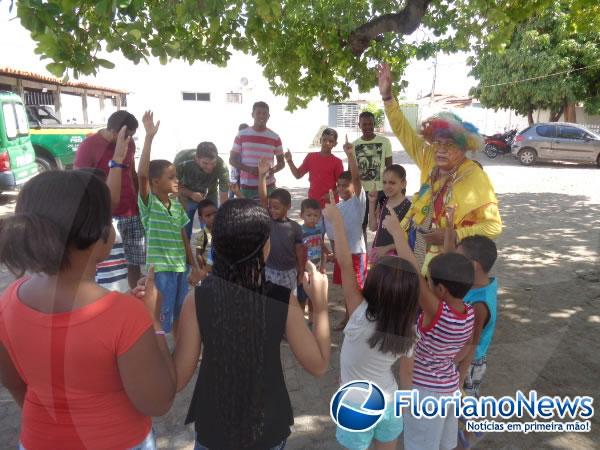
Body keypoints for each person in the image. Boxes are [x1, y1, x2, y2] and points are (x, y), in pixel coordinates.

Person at [134, 198, 331, 449]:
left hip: (214, 429)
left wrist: (153, 320)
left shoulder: (198, 298)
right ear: (264, 247)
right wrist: (321, 306)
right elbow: (320, 365)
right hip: (267, 429)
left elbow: (177, 379)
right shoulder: (283, 301)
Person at [0, 170, 176, 449]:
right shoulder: (126, 315)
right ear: (98, 232)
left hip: (37, 440)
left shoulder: (7, 301)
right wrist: (152, 321)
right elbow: (158, 400)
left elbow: (14, 382)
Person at [378, 63, 502, 274]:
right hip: (417, 248)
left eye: (450, 145)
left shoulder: (474, 176)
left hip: (450, 262)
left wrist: (452, 234)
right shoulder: (429, 158)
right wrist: (388, 98)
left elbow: (493, 227)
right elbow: (403, 131)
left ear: (464, 148)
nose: (441, 150)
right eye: (437, 143)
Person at [323, 192, 417, 450]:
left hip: (355, 405)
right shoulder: (409, 329)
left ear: (373, 286)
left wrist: (337, 221)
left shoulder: (358, 313)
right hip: (390, 402)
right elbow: (407, 375)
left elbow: (344, 261)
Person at [382, 209, 475, 450]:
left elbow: (413, 270)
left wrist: (396, 231)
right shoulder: (468, 311)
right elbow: (449, 266)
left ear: (441, 290)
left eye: (430, 281)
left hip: (425, 395)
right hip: (449, 389)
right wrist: (451, 228)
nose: (427, 283)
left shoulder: (438, 313)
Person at [137, 111, 202, 335]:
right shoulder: (149, 204)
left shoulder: (175, 205)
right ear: (156, 182)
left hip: (180, 269)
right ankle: (159, 357)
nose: (177, 181)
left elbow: (183, 236)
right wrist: (148, 138)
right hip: (161, 271)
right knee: (160, 317)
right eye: (171, 177)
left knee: (181, 314)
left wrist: (192, 265)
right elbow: (142, 175)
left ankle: (180, 354)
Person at [74, 109, 145, 289]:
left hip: (130, 211)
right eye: (126, 135)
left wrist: (139, 201)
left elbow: (131, 172)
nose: (129, 140)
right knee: (106, 264)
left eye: (131, 136)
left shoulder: (129, 144)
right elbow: (80, 184)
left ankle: (135, 298)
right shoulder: (88, 146)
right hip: (106, 215)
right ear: (114, 131)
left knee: (134, 261)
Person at [447, 228, 498, 448]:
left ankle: (469, 436)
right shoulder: (480, 282)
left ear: (474, 265)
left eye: (460, 260)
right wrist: (450, 228)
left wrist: (456, 370)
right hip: (463, 356)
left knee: (464, 402)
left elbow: (471, 343)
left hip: (470, 361)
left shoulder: (479, 304)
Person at [324, 136, 368, 329]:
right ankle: (349, 316)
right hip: (343, 255)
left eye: (345, 185)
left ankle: (358, 319)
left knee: (357, 288)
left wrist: (350, 155)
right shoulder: (338, 207)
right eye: (339, 185)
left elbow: (356, 177)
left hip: (357, 253)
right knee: (345, 288)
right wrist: (334, 253)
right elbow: (332, 234)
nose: (341, 188)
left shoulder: (358, 201)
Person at [257, 158, 304, 293]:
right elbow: (263, 198)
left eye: (276, 208)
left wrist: (300, 272)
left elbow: (299, 252)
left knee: (289, 304)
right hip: (270, 271)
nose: (272, 210)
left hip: (289, 272)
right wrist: (262, 176)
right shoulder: (268, 221)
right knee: (272, 304)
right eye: (270, 207)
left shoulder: (295, 227)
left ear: (288, 206)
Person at [229, 102, 285, 201]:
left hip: (269, 186)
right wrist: (249, 169)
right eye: (258, 113)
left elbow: (281, 163)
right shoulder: (241, 135)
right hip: (247, 187)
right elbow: (232, 160)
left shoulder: (275, 137)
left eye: (264, 113)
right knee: (247, 215)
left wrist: (270, 171)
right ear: (252, 115)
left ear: (269, 116)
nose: (261, 116)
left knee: (267, 215)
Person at [353, 110, 393, 242]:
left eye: (370, 124)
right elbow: (352, 171)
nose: (368, 127)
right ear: (359, 125)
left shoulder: (385, 142)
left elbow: (390, 168)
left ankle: (381, 253)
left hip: (382, 190)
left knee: (384, 225)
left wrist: (391, 189)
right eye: (364, 124)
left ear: (374, 124)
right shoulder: (354, 145)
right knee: (361, 225)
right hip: (362, 192)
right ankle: (363, 256)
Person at [176, 142, 230, 238]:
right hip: (186, 197)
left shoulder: (222, 166)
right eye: (205, 163)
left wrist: (223, 216)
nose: (210, 167)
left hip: (210, 196)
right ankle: (186, 252)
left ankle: (209, 251)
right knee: (185, 231)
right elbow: (173, 185)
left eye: (213, 163)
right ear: (196, 158)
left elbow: (224, 193)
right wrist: (191, 194)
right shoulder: (182, 159)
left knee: (211, 231)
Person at [285, 127, 344, 208]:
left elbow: (341, 184)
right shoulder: (310, 157)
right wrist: (289, 161)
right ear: (320, 140)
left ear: (335, 144)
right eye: (324, 140)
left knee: (330, 221)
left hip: (331, 204)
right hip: (313, 203)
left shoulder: (337, 162)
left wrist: (332, 195)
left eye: (330, 141)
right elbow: (298, 175)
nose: (327, 143)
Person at [367, 164, 411, 266]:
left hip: (395, 260)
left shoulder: (408, 207)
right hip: (378, 255)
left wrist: (386, 249)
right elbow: (373, 227)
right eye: (384, 182)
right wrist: (372, 202)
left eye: (392, 183)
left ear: (403, 184)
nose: (387, 186)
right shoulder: (383, 201)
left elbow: (408, 240)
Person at [297, 198, 330, 317]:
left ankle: (312, 318)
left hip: (316, 269)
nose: (312, 218)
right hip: (304, 271)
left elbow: (321, 246)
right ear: (301, 215)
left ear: (320, 216)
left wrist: (323, 265)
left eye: (315, 215)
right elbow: (297, 253)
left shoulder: (319, 229)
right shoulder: (300, 232)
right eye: (309, 215)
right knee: (301, 297)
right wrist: (300, 273)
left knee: (313, 296)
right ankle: (301, 318)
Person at [193, 199, 218, 280]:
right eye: (208, 215)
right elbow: (198, 254)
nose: (213, 217)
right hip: (209, 270)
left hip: (220, 269)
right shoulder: (202, 235)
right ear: (201, 219)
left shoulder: (221, 230)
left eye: (215, 213)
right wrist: (203, 268)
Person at [229, 123, 249, 199]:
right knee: (232, 193)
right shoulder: (237, 141)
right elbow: (232, 160)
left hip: (243, 176)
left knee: (241, 194)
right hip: (236, 174)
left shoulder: (247, 143)